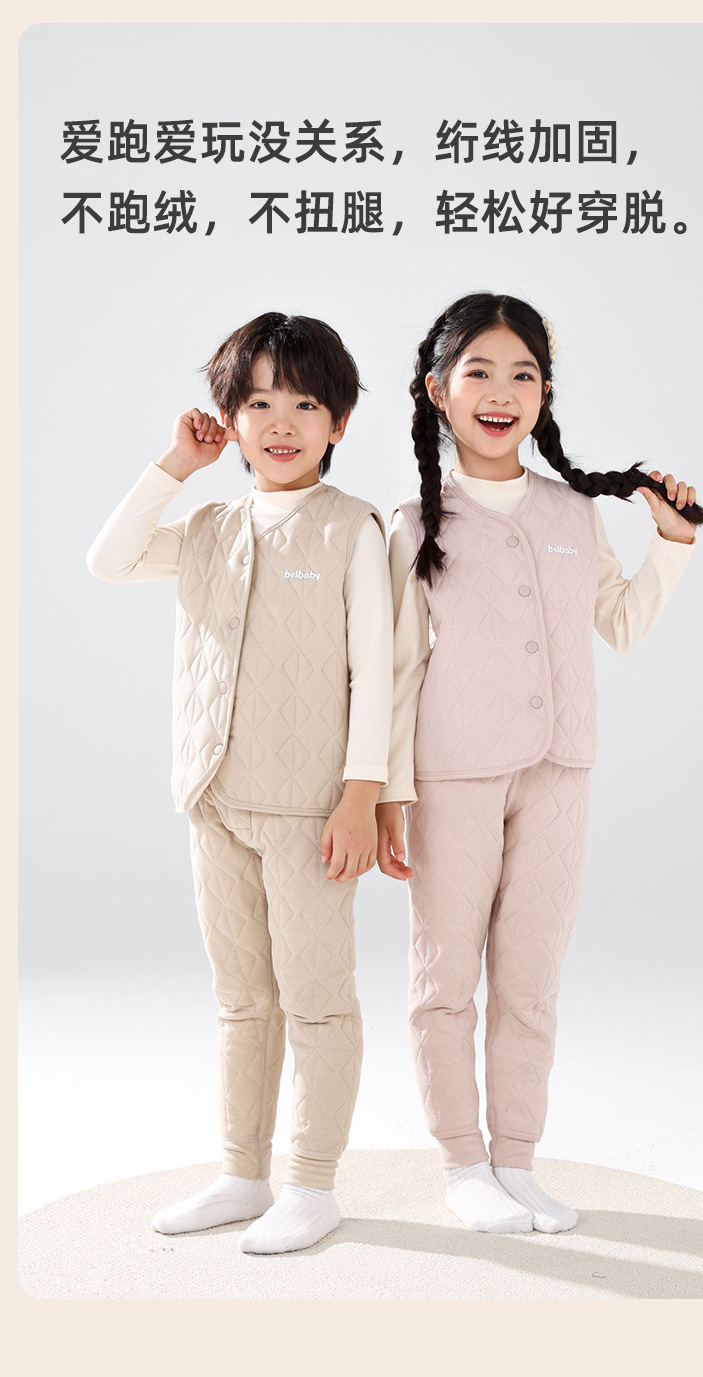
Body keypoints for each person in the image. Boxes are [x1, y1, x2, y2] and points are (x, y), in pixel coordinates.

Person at [375, 292, 703, 1235]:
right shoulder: (412, 522)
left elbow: (622, 625)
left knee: (530, 979)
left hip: (561, 772)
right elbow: (394, 670)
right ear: (437, 391)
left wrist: (673, 542)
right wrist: (388, 793)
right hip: (450, 776)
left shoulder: (574, 512)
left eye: (522, 373)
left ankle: (516, 1160)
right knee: (445, 977)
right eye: (478, 371)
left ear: (546, 393)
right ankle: (462, 1164)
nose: (501, 392)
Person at [87, 311, 392, 1254]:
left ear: (339, 421)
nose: (281, 422)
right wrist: (176, 466)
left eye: (304, 403)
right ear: (230, 418)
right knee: (242, 998)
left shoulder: (353, 528)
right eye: (257, 403)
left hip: (311, 811)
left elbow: (377, 672)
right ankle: (242, 1173)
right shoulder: (209, 526)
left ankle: (312, 1183)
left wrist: (362, 793)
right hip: (215, 799)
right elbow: (108, 559)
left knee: (317, 997)